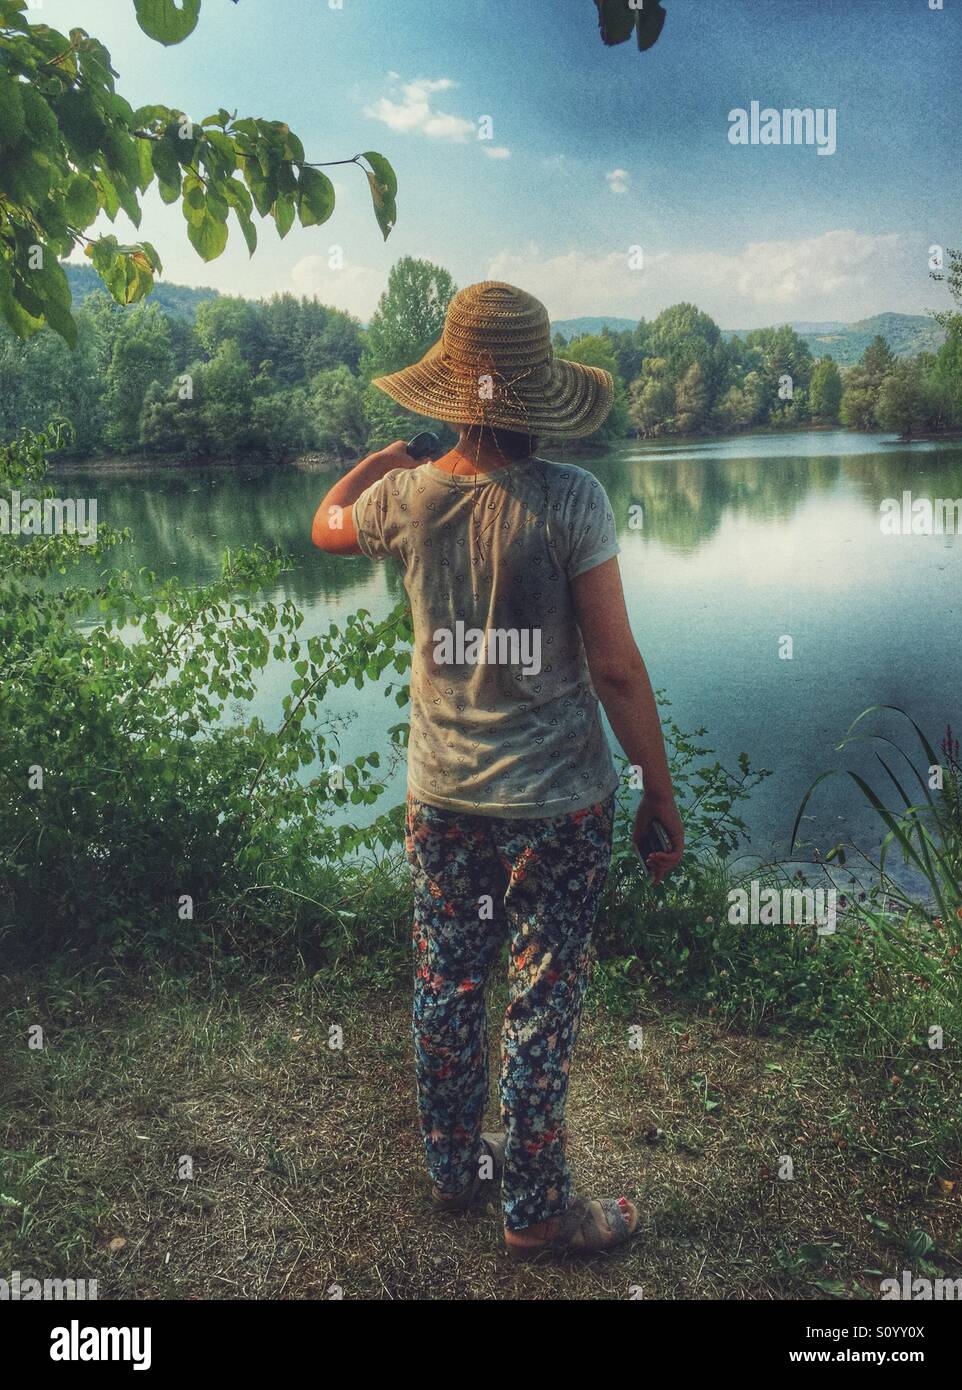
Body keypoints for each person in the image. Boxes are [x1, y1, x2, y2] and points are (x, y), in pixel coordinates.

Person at [312, 281, 683, 1259]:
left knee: (446, 975)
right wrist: (656, 786)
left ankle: (452, 1166)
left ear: (452, 392)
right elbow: (613, 666)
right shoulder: (570, 500)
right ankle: (533, 1207)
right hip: (555, 802)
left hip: (441, 797)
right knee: (539, 994)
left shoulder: (406, 497)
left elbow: (325, 523)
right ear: (538, 396)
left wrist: (389, 455)